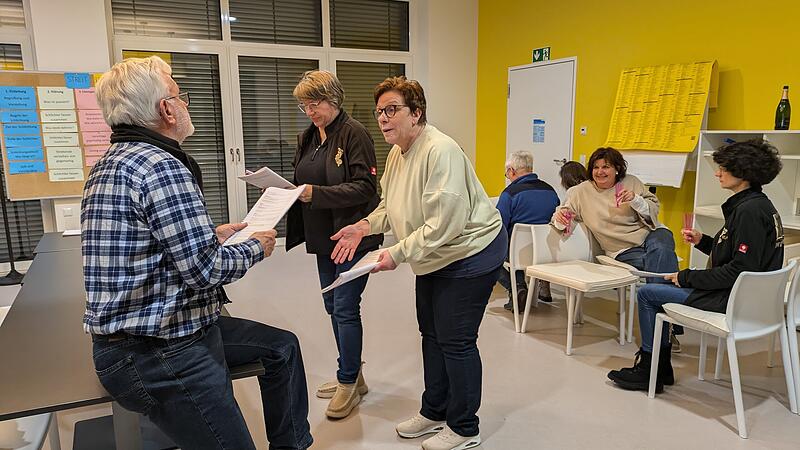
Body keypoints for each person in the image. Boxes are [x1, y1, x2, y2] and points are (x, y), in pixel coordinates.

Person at [82, 56, 312, 450]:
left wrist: (212, 234)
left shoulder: (112, 162)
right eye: (180, 95)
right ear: (167, 109)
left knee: (282, 348)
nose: (186, 104)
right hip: (158, 350)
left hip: (149, 336)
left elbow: (154, 243)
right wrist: (257, 246)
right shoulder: (162, 167)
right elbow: (206, 271)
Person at [330, 76, 505, 450]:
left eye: (392, 110)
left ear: (417, 113)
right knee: (431, 334)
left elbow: (445, 224)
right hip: (435, 254)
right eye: (379, 112)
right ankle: (434, 410)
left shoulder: (440, 151)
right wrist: (364, 226)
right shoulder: (397, 152)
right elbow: (391, 207)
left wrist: (395, 253)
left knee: (455, 340)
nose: (383, 118)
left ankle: (464, 427)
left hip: (471, 252)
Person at [607, 139, 784, 393]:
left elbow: (739, 271)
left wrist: (686, 276)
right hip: (748, 297)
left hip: (732, 299)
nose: (717, 173)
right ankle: (661, 368)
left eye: (723, 168)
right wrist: (704, 242)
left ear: (743, 173)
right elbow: (742, 256)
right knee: (661, 286)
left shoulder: (748, 212)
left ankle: (651, 369)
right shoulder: (759, 205)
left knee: (646, 294)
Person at [286, 70, 383, 419]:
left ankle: (347, 382)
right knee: (331, 306)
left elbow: (365, 188)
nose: (310, 111)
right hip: (322, 236)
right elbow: (301, 180)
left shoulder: (354, 133)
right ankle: (353, 374)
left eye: (315, 104)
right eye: (303, 105)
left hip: (353, 235)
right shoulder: (308, 137)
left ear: (333, 99)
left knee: (345, 307)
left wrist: (316, 194)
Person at [553, 147, 678, 282]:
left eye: (605, 167)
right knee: (660, 260)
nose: (600, 172)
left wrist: (635, 200)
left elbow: (653, 209)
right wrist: (560, 217)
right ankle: (666, 299)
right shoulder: (579, 192)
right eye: (596, 167)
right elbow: (562, 215)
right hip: (622, 249)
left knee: (661, 250)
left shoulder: (631, 182)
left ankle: (658, 298)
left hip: (652, 233)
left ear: (617, 168)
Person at [497, 151, 560, 310]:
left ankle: (517, 288)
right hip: (546, 252)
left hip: (518, 254)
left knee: (488, 256)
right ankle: (543, 288)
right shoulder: (551, 191)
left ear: (512, 170)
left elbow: (499, 227)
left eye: (507, 174)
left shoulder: (509, 194)